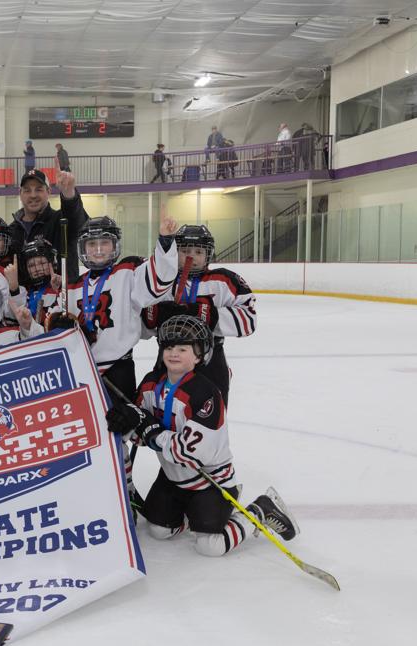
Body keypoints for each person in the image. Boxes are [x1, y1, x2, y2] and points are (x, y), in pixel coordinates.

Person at [105, 315, 299, 557]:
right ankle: (192, 515)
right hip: (172, 478)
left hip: (209, 481)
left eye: (182, 349)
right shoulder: (150, 384)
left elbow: (190, 453)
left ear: (199, 356)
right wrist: (128, 421)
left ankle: (261, 510)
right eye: (169, 347)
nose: (173, 353)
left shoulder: (206, 395)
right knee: (159, 531)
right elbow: (140, 431)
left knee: (210, 546)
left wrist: (151, 430)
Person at [50, 214, 179, 400]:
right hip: (81, 370)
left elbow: (158, 282)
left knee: (121, 418)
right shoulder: (71, 287)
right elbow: (52, 324)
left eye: (105, 243)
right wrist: (58, 325)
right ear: (82, 248)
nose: (98, 249)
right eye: (92, 244)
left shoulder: (128, 271)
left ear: (115, 245)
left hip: (119, 370)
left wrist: (165, 241)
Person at [141, 224, 256, 403]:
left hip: (211, 359)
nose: (191, 256)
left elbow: (248, 321)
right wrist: (153, 316)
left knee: (212, 412)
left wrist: (207, 315)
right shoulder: (162, 281)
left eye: (198, 252)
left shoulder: (223, 280)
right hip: (170, 356)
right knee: (164, 408)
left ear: (208, 254)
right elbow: (141, 327)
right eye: (185, 251)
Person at [10, 168, 89, 281]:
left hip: (61, 291)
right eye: (27, 190)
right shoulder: (12, 230)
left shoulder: (61, 221)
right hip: (23, 292)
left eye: (39, 189)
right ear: (20, 193)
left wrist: (69, 194)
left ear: (48, 191)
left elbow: (78, 222)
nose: (33, 195)